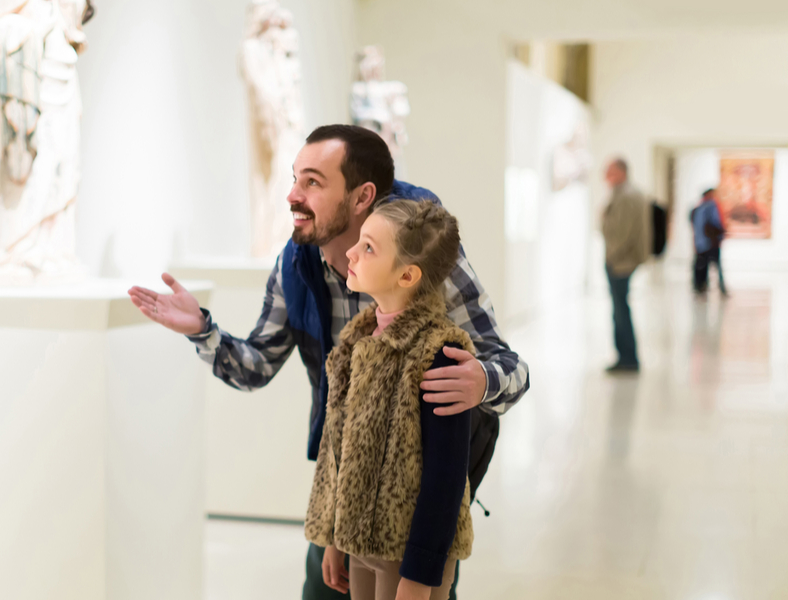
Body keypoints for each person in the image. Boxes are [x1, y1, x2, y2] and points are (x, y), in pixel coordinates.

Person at [128, 124, 530, 600]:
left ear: (363, 197)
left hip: (418, 512)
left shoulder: (423, 255)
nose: (292, 195)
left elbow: (510, 368)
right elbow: (258, 366)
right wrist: (202, 329)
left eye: (313, 182)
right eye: (295, 178)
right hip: (342, 497)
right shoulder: (296, 265)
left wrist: (480, 380)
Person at [306, 200, 473, 600]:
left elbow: (445, 477)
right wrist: (333, 537)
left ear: (407, 275)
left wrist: (419, 576)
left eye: (368, 248)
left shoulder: (438, 352)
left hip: (409, 552)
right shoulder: (356, 342)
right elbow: (340, 449)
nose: (350, 253)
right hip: (360, 542)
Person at [601, 158, 650, 373]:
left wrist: (611, 257)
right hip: (621, 261)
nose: (605, 176)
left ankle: (627, 358)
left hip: (621, 263)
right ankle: (625, 356)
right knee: (620, 309)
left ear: (621, 172)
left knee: (620, 310)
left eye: (610, 172)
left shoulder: (626, 196)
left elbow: (622, 234)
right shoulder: (627, 194)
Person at [690, 188, 728, 296]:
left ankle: (701, 286)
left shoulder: (698, 207)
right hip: (711, 242)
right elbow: (716, 222)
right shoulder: (711, 206)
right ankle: (718, 287)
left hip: (702, 243)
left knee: (703, 264)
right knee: (714, 265)